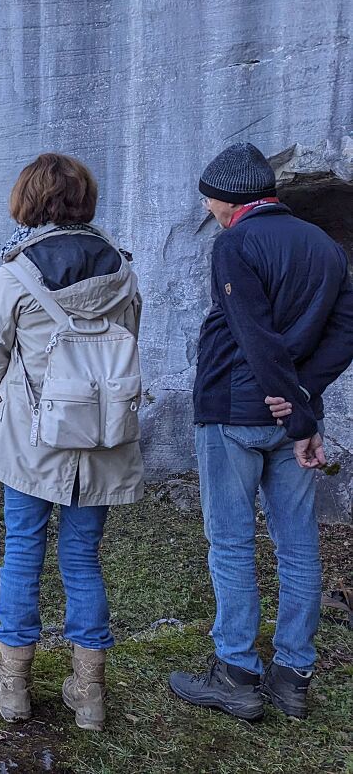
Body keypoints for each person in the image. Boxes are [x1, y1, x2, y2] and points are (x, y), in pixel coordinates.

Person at [169, 143, 353, 721]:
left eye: (211, 198)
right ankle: (293, 676)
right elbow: (347, 329)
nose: (208, 206)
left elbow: (254, 335)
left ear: (231, 199)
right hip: (295, 420)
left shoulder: (236, 242)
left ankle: (237, 674)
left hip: (234, 412)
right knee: (298, 547)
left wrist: (292, 408)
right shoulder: (325, 245)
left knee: (231, 543)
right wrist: (303, 404)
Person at [0, 152, 143, 732]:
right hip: (102, 441)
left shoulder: (15, 275)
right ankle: (88, 690)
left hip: (33, 442)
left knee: (23, 549)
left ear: (28, 200)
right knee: (82, 558)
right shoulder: (121, 272)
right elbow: (128, 349)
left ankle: (15, 684)